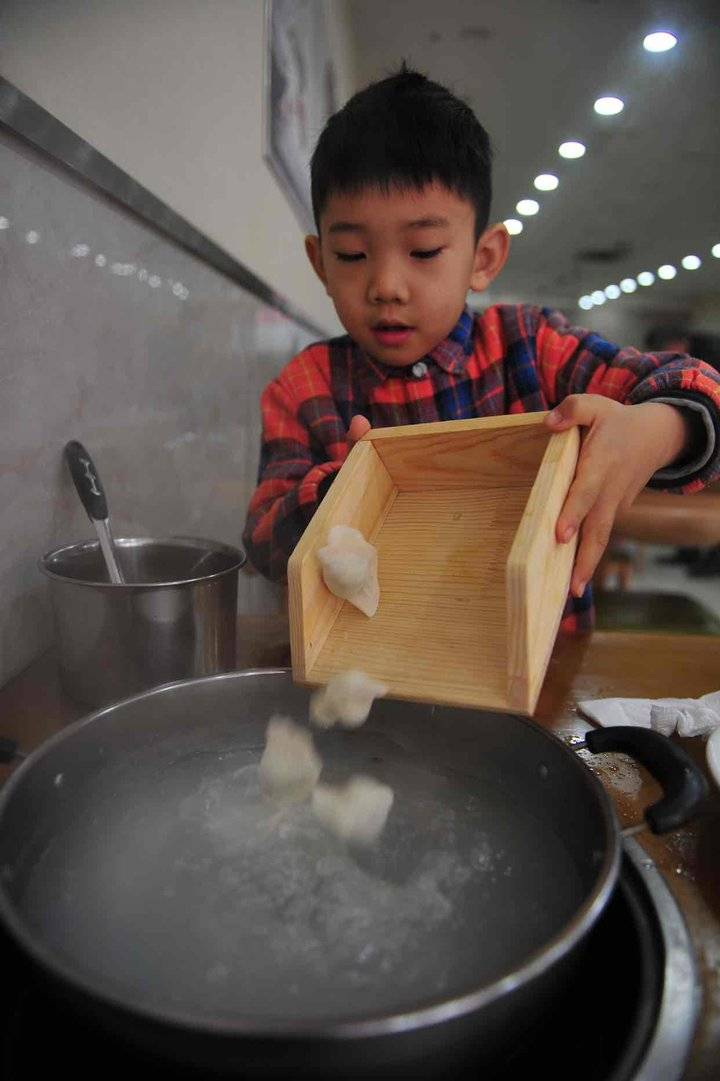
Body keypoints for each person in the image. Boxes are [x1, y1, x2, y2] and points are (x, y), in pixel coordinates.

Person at [243, 67, 720, 630]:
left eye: (423, 251)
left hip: (539, 656)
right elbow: (264, 544)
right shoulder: (306, 385)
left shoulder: (530, 346)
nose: (386, 286)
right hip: (373, 666)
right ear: (320, 261)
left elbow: (697, 387)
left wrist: (658, 429)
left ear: (484, 258)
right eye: (351, 255)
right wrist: (340, 494)